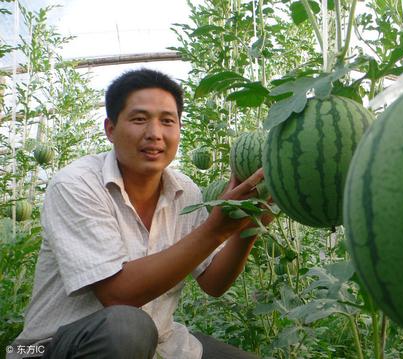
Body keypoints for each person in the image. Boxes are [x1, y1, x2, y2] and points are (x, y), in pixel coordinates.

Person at [9, 68, 269, 359]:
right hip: (49, 347)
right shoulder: (75, 184)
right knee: (127, 327)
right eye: (139, 119)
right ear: (110, 129)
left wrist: (250, 226)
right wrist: (216, 229)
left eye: (167, 121)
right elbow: (118, 295)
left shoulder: (187, 192)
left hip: (159, 344)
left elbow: (214, 283)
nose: (155, 134)